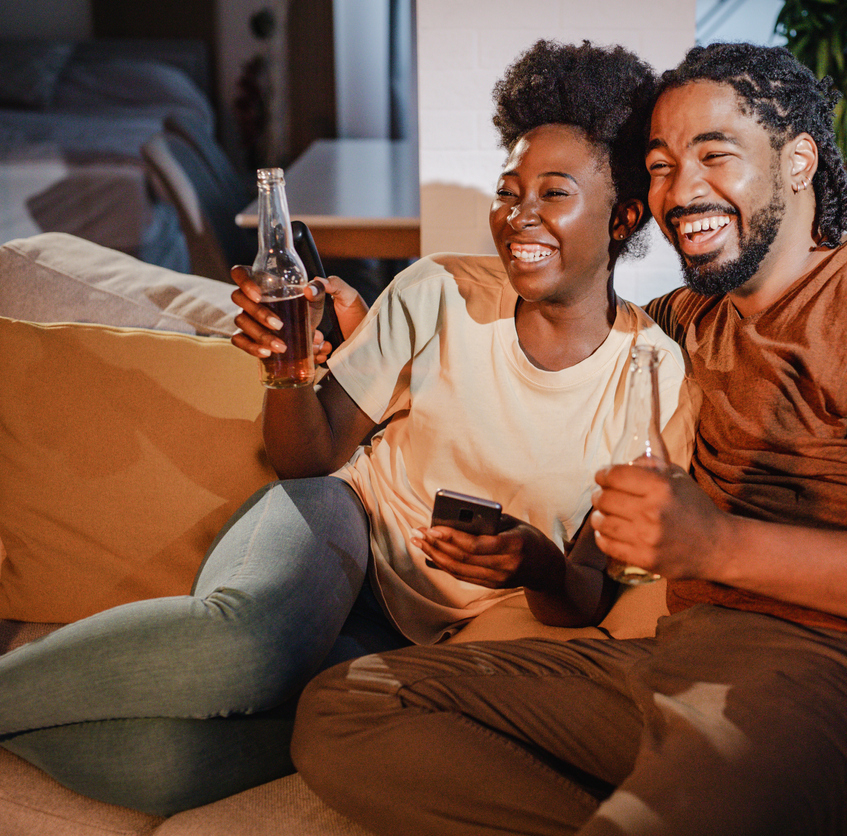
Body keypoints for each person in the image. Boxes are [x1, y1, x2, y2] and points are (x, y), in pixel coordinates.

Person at [290, 41, 847, 836]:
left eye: (715, 155)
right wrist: (362, 342)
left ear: (798, 161)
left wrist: (717, 547)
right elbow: (569, 336)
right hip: (676, 660)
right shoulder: (685, 325)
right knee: (348, 707)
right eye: (661, 166)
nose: (681, 191)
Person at [0, 40, 692, 816]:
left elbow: (586, 598)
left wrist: (537, 565)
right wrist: (289, 372)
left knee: (175, 763)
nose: (518, 215)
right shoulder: (437, 292)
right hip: (340, 527)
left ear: (623, 215)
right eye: (508, 190)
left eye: (553, 193)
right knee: (244, 648)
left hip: (422, 644)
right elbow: (311, 456)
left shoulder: (654, 376)